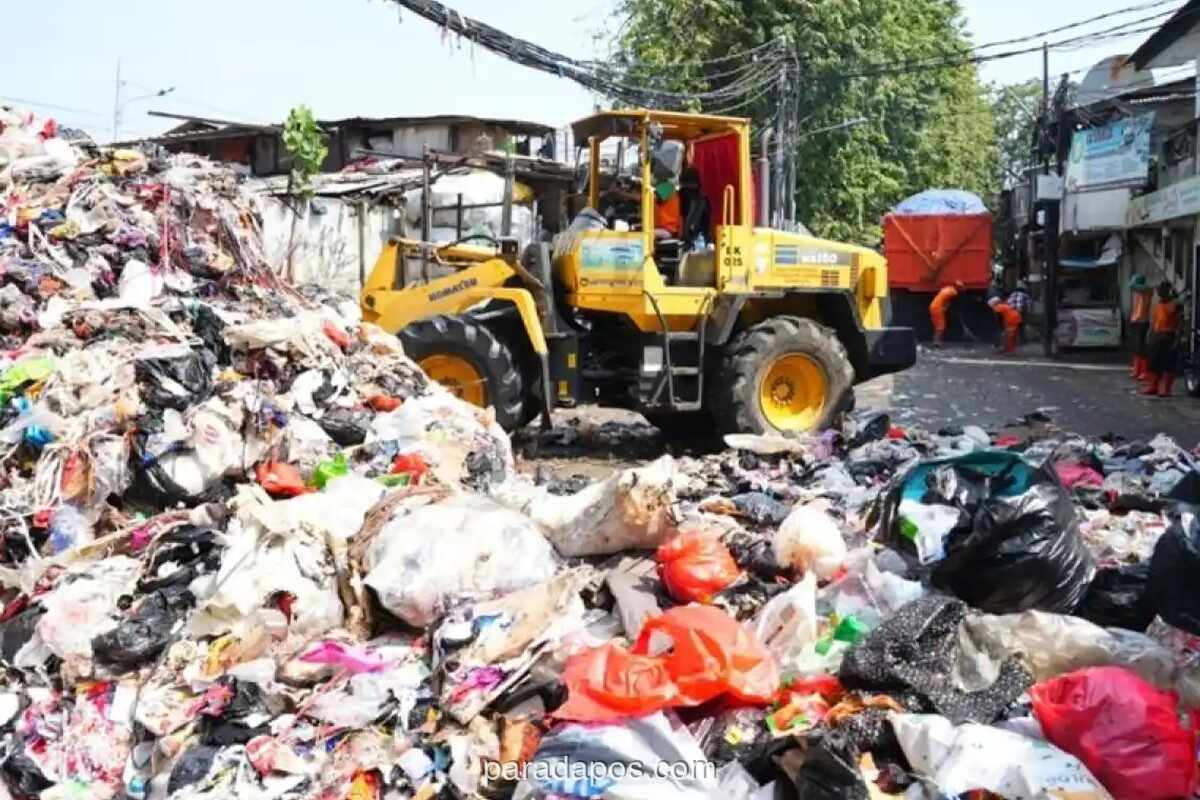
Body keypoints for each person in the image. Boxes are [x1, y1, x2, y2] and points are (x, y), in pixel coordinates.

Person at [1141, 281, 1182, 398]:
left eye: (1161, 290)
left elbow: (1179, 323)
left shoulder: (1175, 304)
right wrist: (1150, 333)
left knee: (1168, 364)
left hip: (1168, 336)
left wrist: (1177, 339)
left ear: (1167, 291)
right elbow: (1154, 321)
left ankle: (1165, 389)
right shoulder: (1159, 304)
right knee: (1154, 362)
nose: (1158, 292)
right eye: (1158, 290)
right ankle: (1153, 386)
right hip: (1156, 336)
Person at [1127, 274, 1153, 381]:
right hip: (1135, 321)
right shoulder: (1138, 292)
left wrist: (1134, 283)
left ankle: (1144, 371)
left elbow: (1134, 286)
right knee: (1136, 347)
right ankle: (1137, 369)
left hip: (1142, 322)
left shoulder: (1147, 290)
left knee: (1141, 347)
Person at [929, 280, 965, 347]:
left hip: (933, 306)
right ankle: (936, 341)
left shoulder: (947, 288)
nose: (962, 289)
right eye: (961, 288)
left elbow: (945, 299)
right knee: (941, 326)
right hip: (937, 308)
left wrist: (945, 307)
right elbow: (949, 302)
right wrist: (945, 308)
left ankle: (936, 340)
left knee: (937, 326)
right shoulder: (953, 292)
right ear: (958, 288)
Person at [1007, 280, 1032, 345]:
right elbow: (1027, 306)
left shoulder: (1012, 294)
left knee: (1013, 327)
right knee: (1021, 327)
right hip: (1020, 313)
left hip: (1011, 313)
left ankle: (1012, 341)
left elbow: (1008, 303)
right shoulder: (1025, 295)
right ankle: (1021, 341)